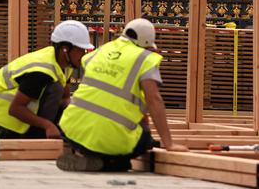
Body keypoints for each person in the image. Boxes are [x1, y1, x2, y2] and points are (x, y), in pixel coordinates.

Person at [57, 18, 189, 172]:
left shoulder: (101, 51)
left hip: (71, 130)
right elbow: (154, 100)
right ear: (146, 43)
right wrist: (169, 144)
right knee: (146, 140)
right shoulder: (144, 59)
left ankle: (84, 155)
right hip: (111, 139)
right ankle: (110, 164)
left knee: (102, 130)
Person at [0, 20, 94, 139]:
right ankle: (36, 134)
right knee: (55, 89)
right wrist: (48, 126)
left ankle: (41, 131)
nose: (83, 54)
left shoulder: (63, 65)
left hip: (16, 111)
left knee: (57, 89)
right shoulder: (40, 73)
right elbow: (15, 109)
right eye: (80, 50)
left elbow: (65, 98)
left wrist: (78, 121)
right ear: (65, 49)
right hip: (2, 117)